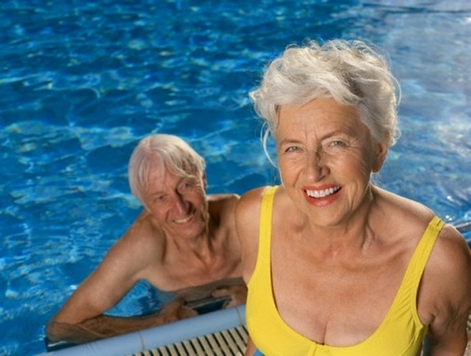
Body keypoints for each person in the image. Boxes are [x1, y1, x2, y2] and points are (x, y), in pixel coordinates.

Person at [236, 39, 471, 356]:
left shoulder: (438, 261)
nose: (313, 171)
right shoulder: (254, 219)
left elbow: (449, 345)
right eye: (293, 148)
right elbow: (261, 337)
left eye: (335, 143)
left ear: (378, 150)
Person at [46, 134, 246, 345]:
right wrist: (155, 324)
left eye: (185, 186)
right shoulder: (144, 246)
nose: (180, 208)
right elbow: (61, 327)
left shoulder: (241, 218)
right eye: (161, 198)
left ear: (203, 178)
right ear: (146, 205)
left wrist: (258, 295)